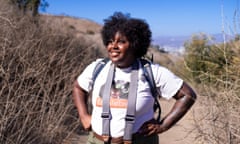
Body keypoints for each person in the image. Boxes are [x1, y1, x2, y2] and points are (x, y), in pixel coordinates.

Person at [72, 12, 197, 144]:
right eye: (110, 41)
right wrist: (84, 116)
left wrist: (163, 125)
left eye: (121, 42)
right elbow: (78, 87)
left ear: (134, 44)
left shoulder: (152, 72)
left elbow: (187, 95)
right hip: (96, 141)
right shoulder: (97, 67)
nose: (113, 46)